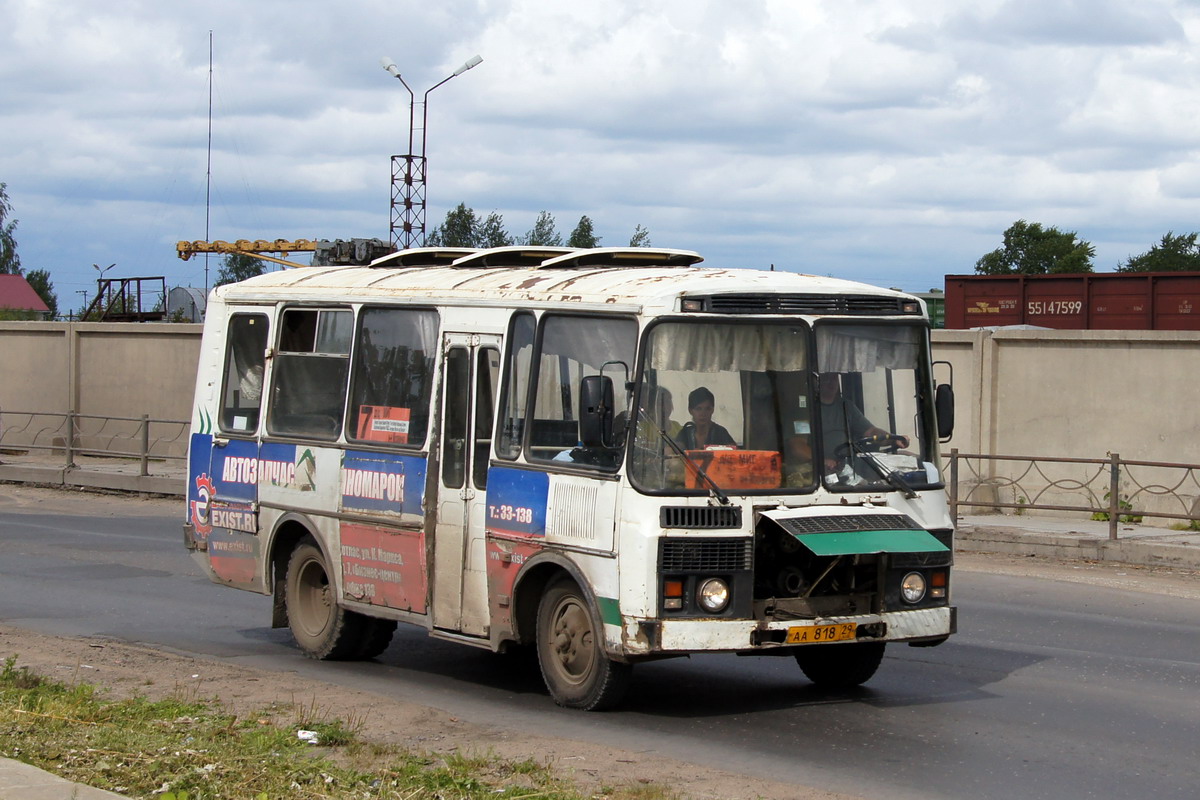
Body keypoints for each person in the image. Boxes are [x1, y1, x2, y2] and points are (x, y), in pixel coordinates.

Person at [796, 373, 908, 472]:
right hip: (819, 473)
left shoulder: (846, 406)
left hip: (852, 469)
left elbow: (871, 432)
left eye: (834, 378)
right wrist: (822, 461)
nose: (832, 383)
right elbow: (798, 445)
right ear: (816, 382)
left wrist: (893, 439)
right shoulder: (804, 409)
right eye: (826, 378)